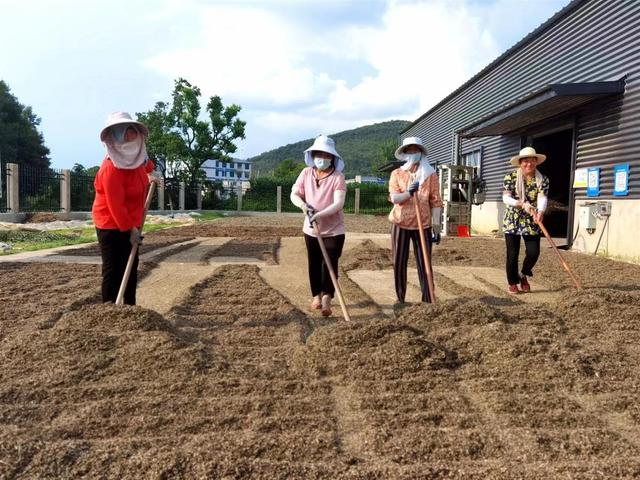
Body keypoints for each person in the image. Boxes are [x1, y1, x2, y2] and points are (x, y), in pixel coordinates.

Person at [92, 112, 161, 305]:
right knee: (113, 268)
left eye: (132, 131)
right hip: (111, 224)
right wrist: (130, 230)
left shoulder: (137, 157)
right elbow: (116, 206)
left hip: (133, 220)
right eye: (124, 132)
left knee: (131, 266)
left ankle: (130, 307)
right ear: (115, 137)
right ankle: (109, 309)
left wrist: (152, 174)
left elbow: (147, 165)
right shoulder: (110, 170)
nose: (130, 136)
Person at [290, 135, 346, 317]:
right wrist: (303, 206)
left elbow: (338, 203)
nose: (321, 157)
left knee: (329, 262)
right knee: (314, 262)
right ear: (313, 155)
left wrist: (320, 214)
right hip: (311, 228)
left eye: (326, 154)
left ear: (332, 157)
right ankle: (316, 295)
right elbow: (294, 194)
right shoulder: (306, 173)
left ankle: (327, 298)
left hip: (333, 229)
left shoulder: (338, 177)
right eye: (318, 153)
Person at [388, 136, 443, 304]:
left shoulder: (430, 175)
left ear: (421, 152)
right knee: (399, 261)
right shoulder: (397, 174)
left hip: (423, 225)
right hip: (400, 223)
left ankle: (428, 299)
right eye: (409, 150)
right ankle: (400, 298)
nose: (413, 153)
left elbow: (436, 201)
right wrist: (408, 194)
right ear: (404, 153)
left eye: (416, 150)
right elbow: (395, 197)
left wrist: (436, 227)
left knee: (424, 262)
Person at [502, 146, 549, 294]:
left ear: (536, 162)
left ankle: (523, 274)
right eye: (525, 161)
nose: (529, 164)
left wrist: (540, 211)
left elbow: (542, 197)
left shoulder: (543, 179)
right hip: (513, 220)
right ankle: (512, 282)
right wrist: (520, 204)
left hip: (532, 219)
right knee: (512, 254)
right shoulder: (511, 177)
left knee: (533, 252)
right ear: (520, 163)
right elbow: (505, 197)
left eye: (532, 161)